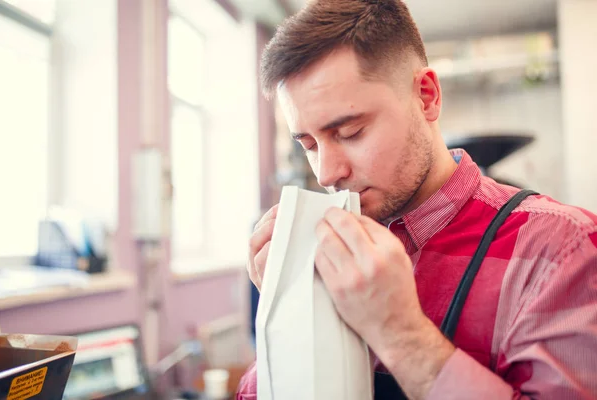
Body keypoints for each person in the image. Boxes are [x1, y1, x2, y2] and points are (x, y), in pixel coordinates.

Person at [237, 0, 597, 399]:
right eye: (308, 144)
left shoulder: (563, 248)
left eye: (350, 132)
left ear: (426, 96)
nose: (326, 173)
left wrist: (401, 333)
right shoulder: (321, 250)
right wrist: (286, 312)